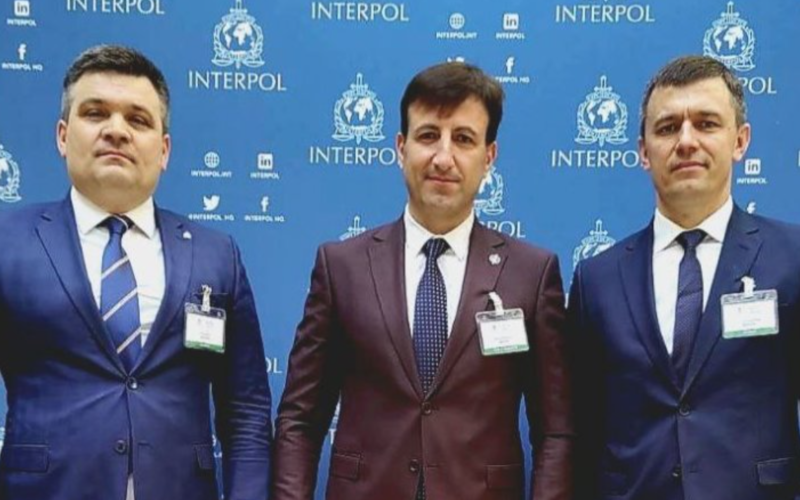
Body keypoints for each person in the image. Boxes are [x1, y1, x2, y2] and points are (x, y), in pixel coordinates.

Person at [273, 61, 574, 500]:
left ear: (489, 156)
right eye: (429, 135)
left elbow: (556, 430)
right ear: (401, 147)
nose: (443, 158)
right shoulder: (341, 267)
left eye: (464, 139)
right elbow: (300, 419)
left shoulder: (532, 273)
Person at [0, 45, 272, 500]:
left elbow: (245, 411)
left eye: (138, 120)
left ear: (163, 150)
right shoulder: (8, 242)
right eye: (95, 113)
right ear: (63, 136)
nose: (116, 130)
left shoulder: (216, 255)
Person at [569, 55, 800, 500]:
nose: (686, 141)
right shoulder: (596, 279)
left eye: (706, 124)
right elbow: (582, 429)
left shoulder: (792, 258)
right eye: (668, 127)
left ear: (740, 141)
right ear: (643, 151)